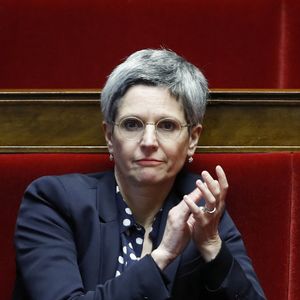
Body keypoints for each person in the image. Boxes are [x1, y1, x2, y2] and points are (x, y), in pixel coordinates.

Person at [13, 49, 266, 300]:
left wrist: (212, 246)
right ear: (110, 136)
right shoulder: (53, 201)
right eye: (132, 124)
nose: (148, 141)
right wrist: (163, 255)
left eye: (167, 126)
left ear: (192, 139)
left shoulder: (201, 206)